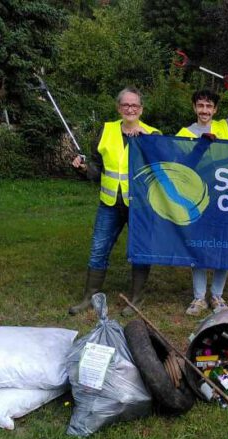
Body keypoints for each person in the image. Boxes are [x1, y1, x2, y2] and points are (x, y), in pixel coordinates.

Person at [69, 86, 161, 316]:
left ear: (141, 109)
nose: (130, 109)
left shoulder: (153, 134)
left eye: (135, 105)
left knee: (140, 251)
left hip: (139, 206)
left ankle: (136, 299)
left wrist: (145, 142)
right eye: (126, 105)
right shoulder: (106, 130)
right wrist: (84, 168)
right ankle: (89, 297)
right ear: (119, 108)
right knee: (98, 250)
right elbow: (98, 168)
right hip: (109, 203)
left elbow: (162, 169)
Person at [176, 76, 228, 316]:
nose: (204, 110)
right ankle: (199, 297)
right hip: (199, 197)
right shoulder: (183, 133)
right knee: (198, 245)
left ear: (215, 109)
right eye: (200, 106)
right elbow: (182, 167)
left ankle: (217, 294)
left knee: (224, 245)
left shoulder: (227, 127)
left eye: (209, 106)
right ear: (194, 108)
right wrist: (200, 145)